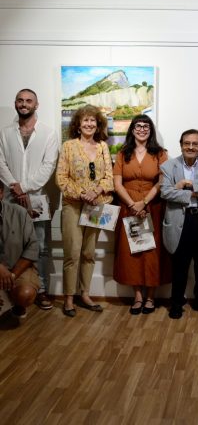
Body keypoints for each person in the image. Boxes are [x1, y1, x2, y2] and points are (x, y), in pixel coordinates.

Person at [0, 88, 59, 310]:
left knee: (41, 246)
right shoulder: (5, 132)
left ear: (36, 105)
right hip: (9, 199)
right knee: (9, 244)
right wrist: (14, 187)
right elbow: (0, 162)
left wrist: (23, 187)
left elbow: (48, 166)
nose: (24, 104)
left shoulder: (48, 133)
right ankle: (10, 287)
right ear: (15, 103)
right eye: (20, 100)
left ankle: (40, 290)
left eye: (28, 101)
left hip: (37, 199)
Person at [56, 105, 114, 317]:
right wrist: (82, 194)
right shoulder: (68, 146)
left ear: (98, 125)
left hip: (96, 204)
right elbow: (61, 178)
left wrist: (96, 191)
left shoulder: (103, 147)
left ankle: (85, 294)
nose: (89, 124)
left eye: (93, 121)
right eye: (85, 120)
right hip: (73, 204)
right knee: (72, 252)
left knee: (89, 252)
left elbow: (109, 177)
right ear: (78, 125)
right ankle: (69, 298)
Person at [113, 115, 170, 315]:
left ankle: (151, 297)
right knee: (132, 253)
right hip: (128, 207)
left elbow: (162, 182)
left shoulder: (160, 153)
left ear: (151, 130)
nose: (142, 129)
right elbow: (117, 184)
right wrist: (132, 204)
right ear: (132, 129)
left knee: (151, 253)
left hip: (152, 207)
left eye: (146, 126)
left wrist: (143, 202)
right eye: (138, 126)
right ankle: (137, 296)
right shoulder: (123, 154)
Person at [161, 129, 198, 319]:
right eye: (187, 143)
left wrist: (184, 185)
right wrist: (195, 192)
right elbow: (165, 192)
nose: (191, 147)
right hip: (181, 220)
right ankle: (176, 303)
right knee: (180, 265)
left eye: (195, 144)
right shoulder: (168, 166)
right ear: (181, 145)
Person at [0, 182, 40, 321]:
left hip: (17, 267)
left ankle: (16, 302)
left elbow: (32, 247)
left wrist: (11, 276)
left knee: (25, 294)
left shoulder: (19, 213)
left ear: (1, 193)